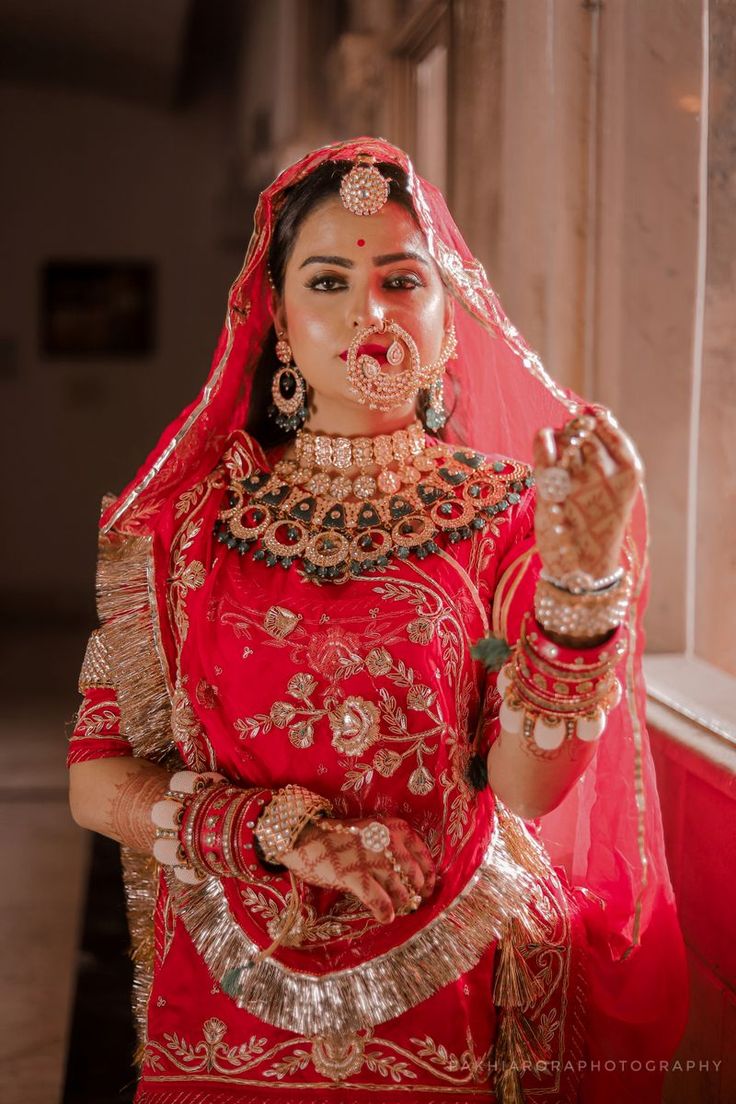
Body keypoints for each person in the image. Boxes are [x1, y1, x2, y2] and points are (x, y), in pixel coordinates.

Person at [67, 138, 687, 1104]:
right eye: (329, 280)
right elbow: (96, 777)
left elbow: (526, 788)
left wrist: (577, 593)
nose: (371, 311)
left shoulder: (507, 516)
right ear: (276, 319)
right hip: (228, 988)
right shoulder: (187, 530)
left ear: (448, 322)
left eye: (404, 280)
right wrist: (270, 830)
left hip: (440, 983)